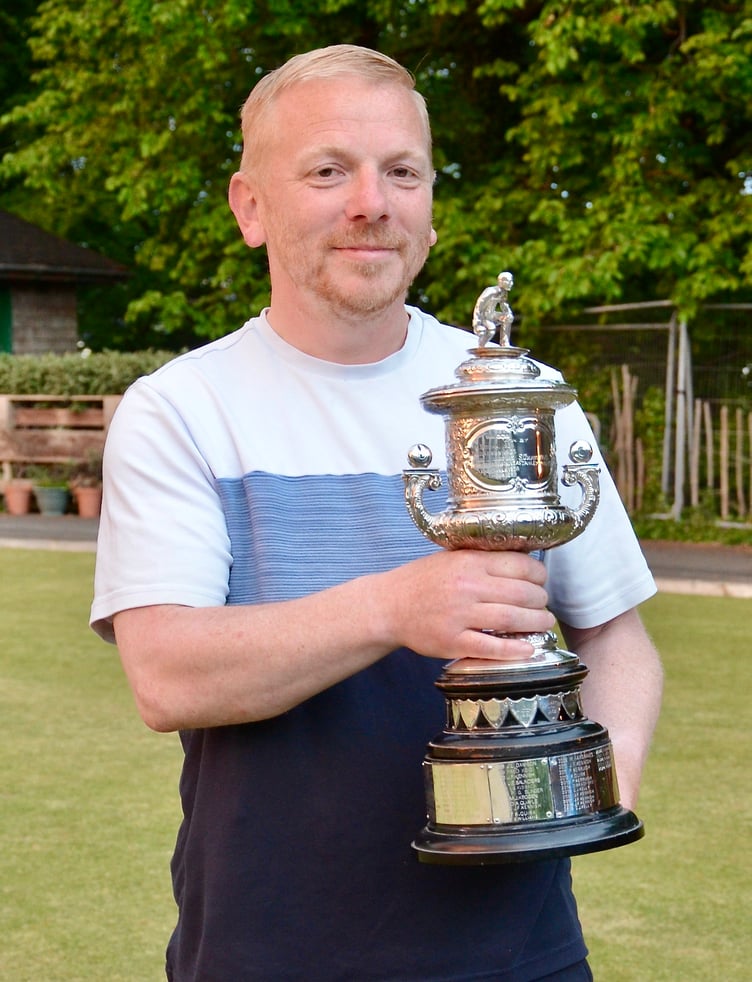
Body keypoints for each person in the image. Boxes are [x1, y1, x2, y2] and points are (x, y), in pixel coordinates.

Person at [91, 44, 663, 982]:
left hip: (520, 956)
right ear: (250, 207)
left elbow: (617, 637)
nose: (372, 202)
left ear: (431, 206)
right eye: (328, 171)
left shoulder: (524, 397)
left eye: (403, 172)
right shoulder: (184, 409)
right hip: (264, 949)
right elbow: (168, 674)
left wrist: (596, 786)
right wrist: (396, 608)